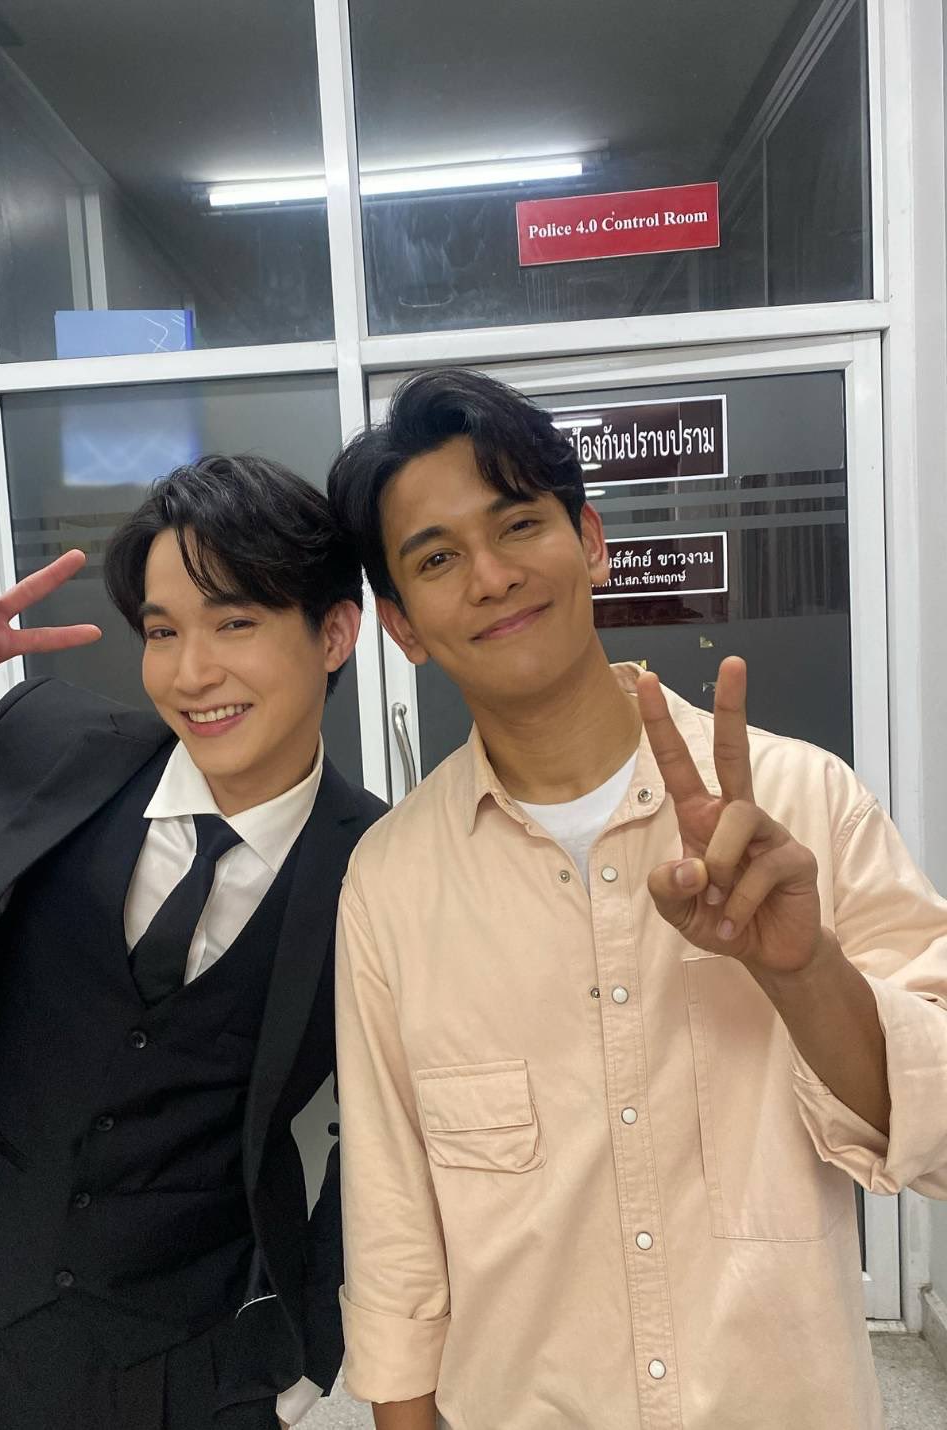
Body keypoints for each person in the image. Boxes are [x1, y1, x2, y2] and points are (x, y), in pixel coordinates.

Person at [326, 368, 947, 1430]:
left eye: (518, 524)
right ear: (402, 626)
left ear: (591, 542)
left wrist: (805, 973)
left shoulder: (801, 802)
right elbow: (395, 1234)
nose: (490, 576)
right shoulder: (390, 883)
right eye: (436, 558)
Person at [0, 454, 385, 1430]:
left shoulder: (376, 863)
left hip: (204, 1361)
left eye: (234, 622)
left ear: (334, 631)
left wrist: (311, 1351)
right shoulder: (42, 747)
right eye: (162, 631)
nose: (191, 673)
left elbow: (389, 1130)